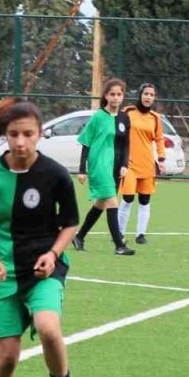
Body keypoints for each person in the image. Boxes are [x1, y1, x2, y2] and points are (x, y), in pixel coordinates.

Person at [0, 97, 93, 377]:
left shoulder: (55, 175)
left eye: (28, 134)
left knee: (49, 329)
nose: (21, 142)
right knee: (8, 355)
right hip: (2, 273)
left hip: (44, 270)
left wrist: (52, 255)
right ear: (5, 136)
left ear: (40, 135)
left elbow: (69, 223)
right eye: (13, 134)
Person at [73, 78, 135, 255]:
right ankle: (119, 245)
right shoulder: (98, 117)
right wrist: (82, 169)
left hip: (115, 166)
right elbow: (86, 143)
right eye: (112, 94)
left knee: (101, 203)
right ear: (106, 96)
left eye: (119, 94)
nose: (116, 98)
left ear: (123, 96)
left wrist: (124, 164)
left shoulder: (124, 118)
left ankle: (79, 236)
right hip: (99, 163)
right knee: (112, 201)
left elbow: (125, 144)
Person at [117, 83, 168, 245]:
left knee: (145, 200)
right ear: (140, 95)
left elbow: (159, 139)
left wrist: (161, 159)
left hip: (147, 164)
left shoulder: (155, 118)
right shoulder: (128, 112)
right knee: (128, 198)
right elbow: (118, 134)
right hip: (129, 163)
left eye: (151, 95)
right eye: (146, 94)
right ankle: (119, 233)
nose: (148, 97)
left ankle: (141, 235)